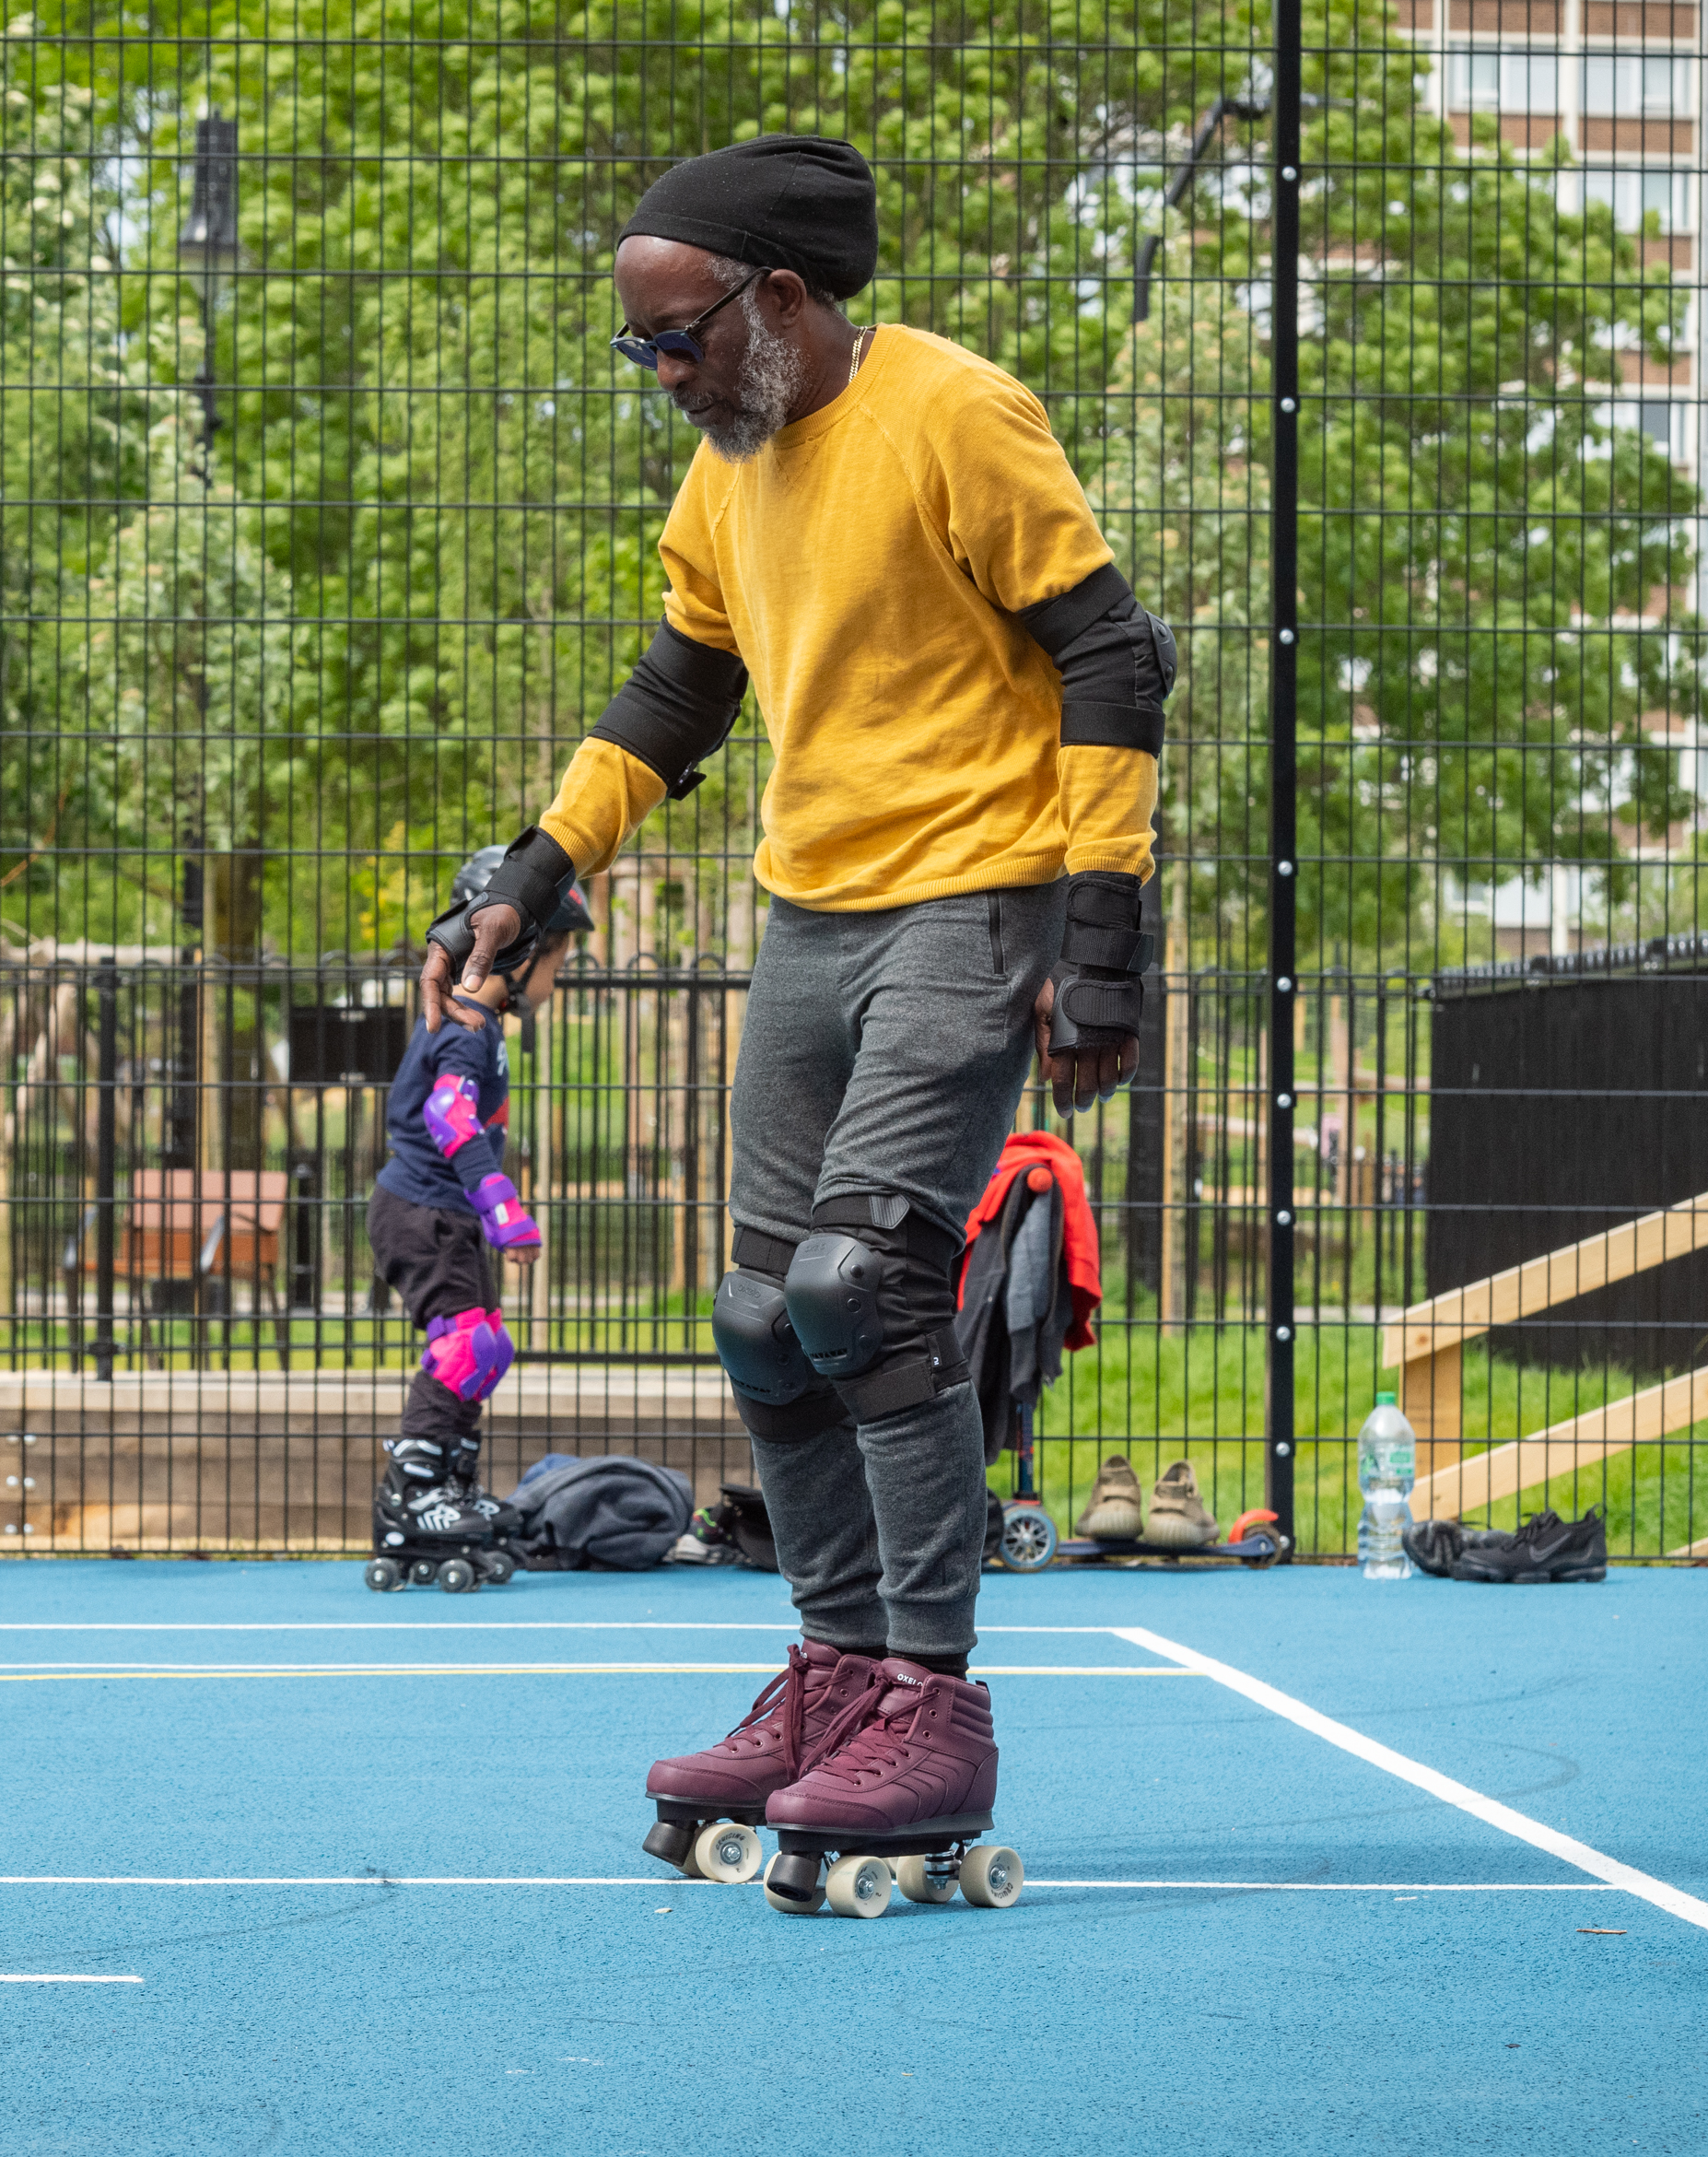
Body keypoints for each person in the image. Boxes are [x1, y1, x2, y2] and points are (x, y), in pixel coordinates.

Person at [426, 134, 1171, 1900]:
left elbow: (1113, 652)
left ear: (779, 298)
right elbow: (679, 688)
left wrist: (1103, 929)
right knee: (764, 1314)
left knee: (863, 1287)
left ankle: (934, 1699)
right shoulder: (729, 468)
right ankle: (837, 1670)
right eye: (638, 345)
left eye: (676, 337)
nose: (661, 372)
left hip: (976, 893)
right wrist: (542, 862)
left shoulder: (955, 414)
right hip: (812, 911)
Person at [365, 847, 590, 1578]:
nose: (556, 979)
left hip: (439, 1212)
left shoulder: (478, 1024)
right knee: (464, 1346)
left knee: (486, 1347)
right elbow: (450, 1117)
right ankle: (414, 1494)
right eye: (558, 961)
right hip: (422, 1211)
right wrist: (505, 1211)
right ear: (522, 952)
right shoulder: (465, 1028)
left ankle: (450, 1482)